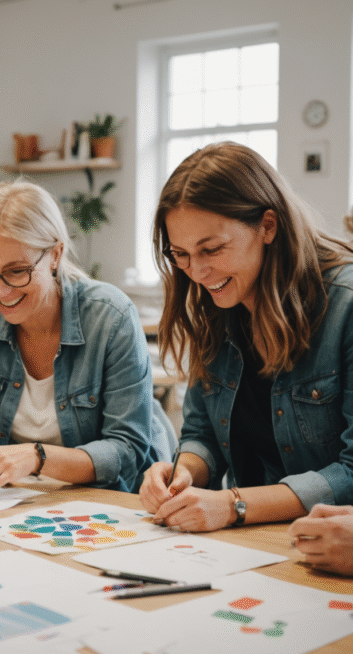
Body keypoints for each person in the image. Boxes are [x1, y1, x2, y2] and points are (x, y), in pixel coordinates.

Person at [139, 141, 353, 532]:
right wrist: (185, 472)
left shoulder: (345, 307)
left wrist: (235, 505)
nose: (198, 273)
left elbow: (352, 472)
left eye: (212, 249)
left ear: (267, 226)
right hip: (257, 543)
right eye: (181, 254)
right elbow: (202, 432)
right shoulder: (216, 307)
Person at [0, 180, 173, 493]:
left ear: (55, 254)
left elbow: (127, 452)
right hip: (24, 502)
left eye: (16, 271)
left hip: (112, 503)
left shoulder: (110, 317)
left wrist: (37, 457)